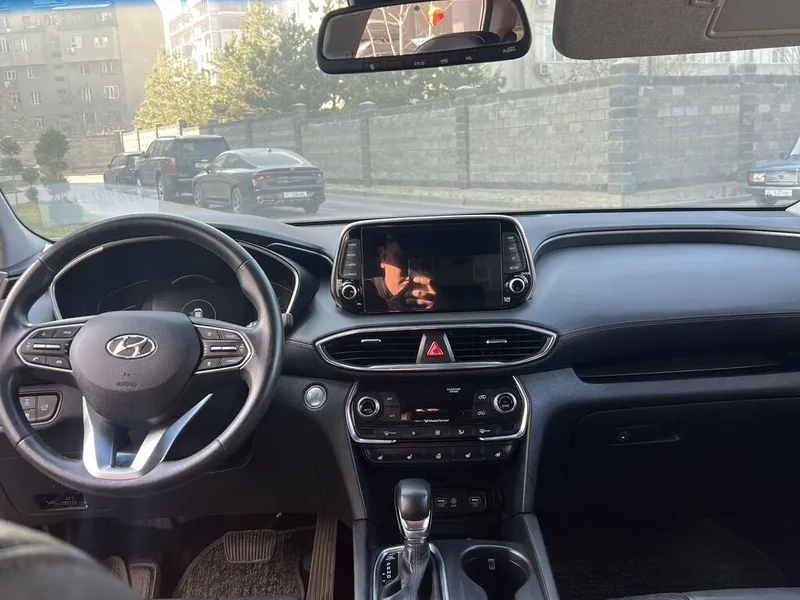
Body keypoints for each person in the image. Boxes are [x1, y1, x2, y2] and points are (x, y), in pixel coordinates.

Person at [364, 236, 438, 311]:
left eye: (420, 264)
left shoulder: (437, 296)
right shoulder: (366, 293)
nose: (409, 271)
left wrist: (437, 309)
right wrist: (390, 309)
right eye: (403, 259)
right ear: (383, 257)